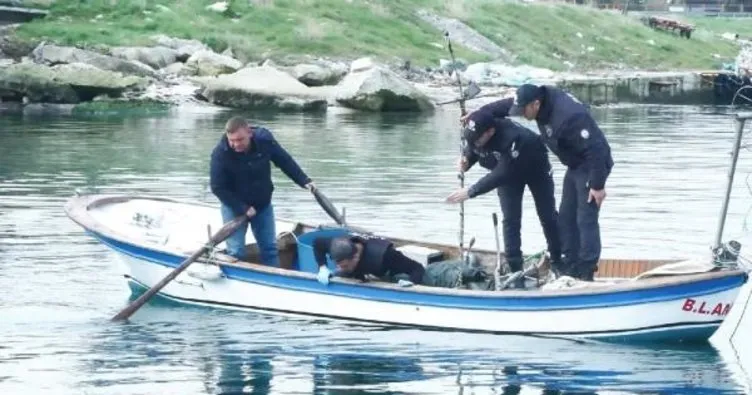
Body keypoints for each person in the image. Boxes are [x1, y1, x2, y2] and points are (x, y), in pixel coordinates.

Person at [461, 84, 614, 281]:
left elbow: (597, 148)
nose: (521, 115)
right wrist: (477, 115)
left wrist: (598, 185)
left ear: (536, 104)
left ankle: (586, 272)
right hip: (574, 164)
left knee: (585, 219)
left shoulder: (570, 116)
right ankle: (570, 266)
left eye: (523, 111)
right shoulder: (535, 101)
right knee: (566, 218)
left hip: (592, 165)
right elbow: (503, 106)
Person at [445, 110, 561, 284]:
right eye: (471, 139)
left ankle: (559, 260)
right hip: (506, 174)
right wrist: (466, 160)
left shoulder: (512, 138)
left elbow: (501, 173)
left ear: (490, 132)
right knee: (511, 219)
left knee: (547, 216)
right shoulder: (477, 136)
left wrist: (470, 191)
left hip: (535, 168)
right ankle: (515, 269)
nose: (474, 143)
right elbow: (473, 147)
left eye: (477, 139)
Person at [210, 116, 315, 266]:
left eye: (240, 140)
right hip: (234, 206)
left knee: (270, 249)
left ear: (249, 132)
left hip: (262, 205)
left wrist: (304, 181)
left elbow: (284, 160)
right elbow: (217, 187)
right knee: (236, 251)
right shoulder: (220, 153)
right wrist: (243, 208)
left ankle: (277, 281)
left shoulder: (264, 140)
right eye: (231, 140)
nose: (235, 144)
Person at [312, 233, 425, 287]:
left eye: (345, 265)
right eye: (338, 265)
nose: (339, 268)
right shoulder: (337, 245)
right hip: (361, 270)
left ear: (355, 257)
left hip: (383, 270)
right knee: (338, 273)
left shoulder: (387, 255)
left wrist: (412, 282)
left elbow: (417, 268)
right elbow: (317, 243)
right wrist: (322, 267)